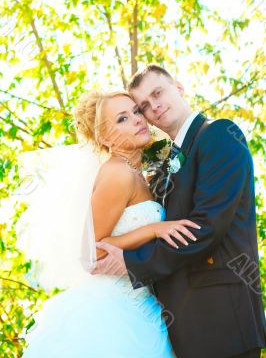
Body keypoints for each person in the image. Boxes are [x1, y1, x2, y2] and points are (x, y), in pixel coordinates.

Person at [92, 65, 266, 358]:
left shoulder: (220, 134)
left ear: (180, 88)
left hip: (222, 319)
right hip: (182, 327)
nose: (153, 106)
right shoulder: (165, 162)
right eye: (143, 105)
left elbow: (207, 227)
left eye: (157, 93)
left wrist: (133, 262)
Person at [22, 90, 200, 358]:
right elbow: (91, 253)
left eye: (136, 112)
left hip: (143, 303)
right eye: (122, 119)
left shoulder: (140, 174)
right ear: (104, 138)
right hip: (112, 313)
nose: (138, 120)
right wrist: (153, 229)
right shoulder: (117, 174)